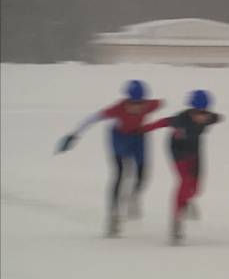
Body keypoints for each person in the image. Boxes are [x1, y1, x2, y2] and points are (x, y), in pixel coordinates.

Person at [56, 80, 161, 236]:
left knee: (143, 174)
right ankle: (113, 216)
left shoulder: (150, 105)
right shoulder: (117, 109)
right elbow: (92, 119)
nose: (137, 107)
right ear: (126, 100)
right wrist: (74, 135)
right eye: (133, 103)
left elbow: (162, 104)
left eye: (140, 103)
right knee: (120, 174)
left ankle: (133, 196)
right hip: (119, 138)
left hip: (138, 138)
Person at [140, 90, 223, 244]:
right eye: (197, 112)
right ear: (190, 109)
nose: (201, 116)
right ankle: (177, 220)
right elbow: (163, 122)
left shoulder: (208, 118)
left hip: (195, 151)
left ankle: (187, 200)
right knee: (185, 181)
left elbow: (217, 117)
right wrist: (143, 129)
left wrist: (217, 118)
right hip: (177, 152)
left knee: (196, 188)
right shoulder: (180, 119)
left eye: (204, 112)